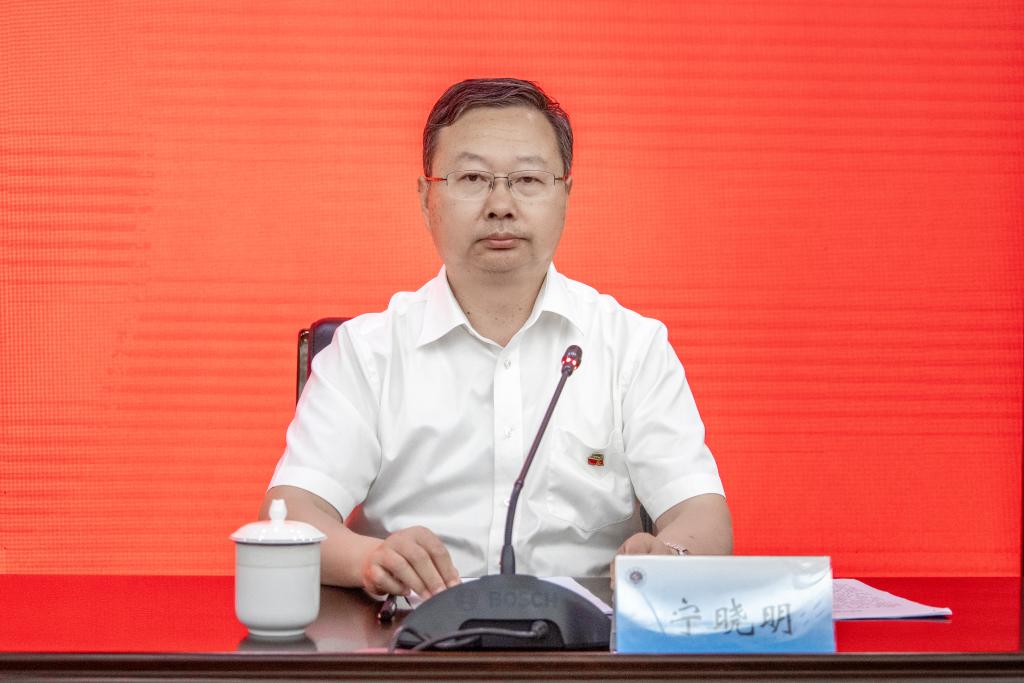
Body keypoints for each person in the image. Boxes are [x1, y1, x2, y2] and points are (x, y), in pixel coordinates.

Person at [261, 78, 732, 601]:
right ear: (426, 198)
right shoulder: (366, 352)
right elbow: (291, 518)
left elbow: (700, 513)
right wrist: (369, 559)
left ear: (565, 195)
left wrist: (671, 558)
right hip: (414, 634)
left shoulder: (631, 347)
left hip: (586, 639)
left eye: (528, 179)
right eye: (472, 178)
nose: (500, 204)